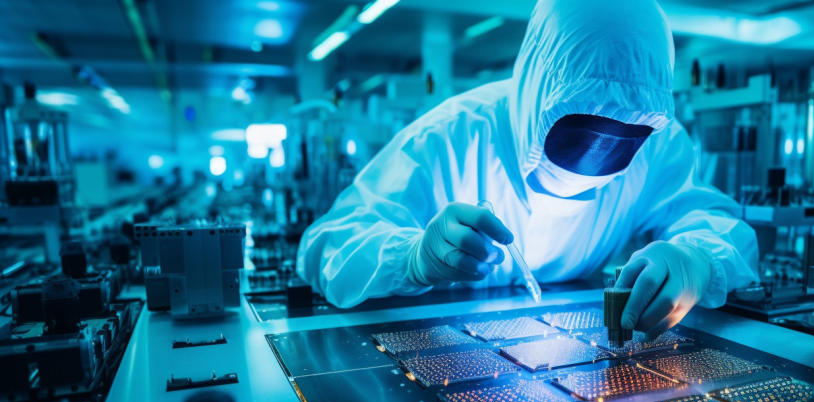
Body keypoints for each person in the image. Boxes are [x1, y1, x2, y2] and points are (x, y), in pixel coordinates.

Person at [297, 0, 759, 339]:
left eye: (624, 135)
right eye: (581, 126)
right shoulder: (449, 137)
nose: (597, 155)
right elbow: (328, 245)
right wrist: (412, 258)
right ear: (541, 89)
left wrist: (696, 260)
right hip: (443, 342)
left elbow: (717, 225)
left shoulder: (661, 145)